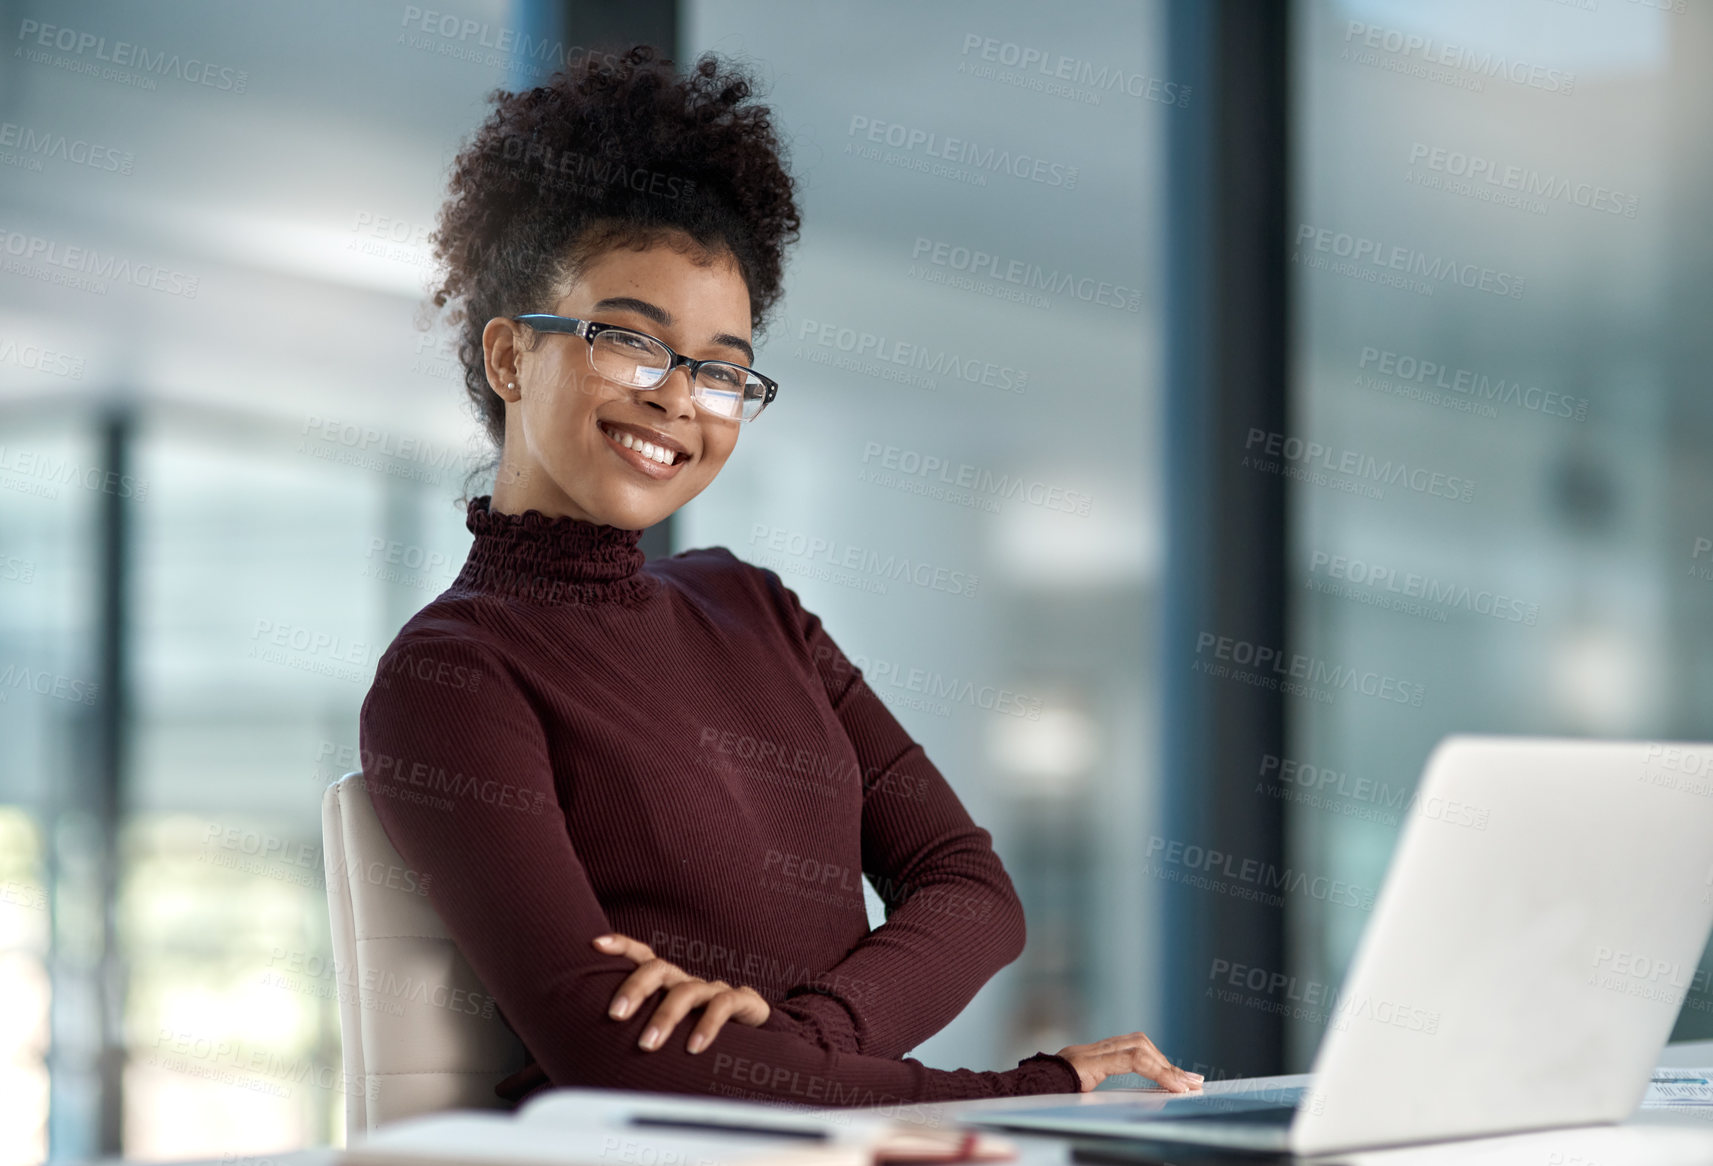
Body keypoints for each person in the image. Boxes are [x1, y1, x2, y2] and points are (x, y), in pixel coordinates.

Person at [358, 42, 1201, 1109]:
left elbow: (976, 890)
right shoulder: (451, 677)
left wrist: (802, 1031)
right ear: (511, 356)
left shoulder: (754, 607)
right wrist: (1022, 1090)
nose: (679, 399)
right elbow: (625, 1065)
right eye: (630, 340)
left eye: (720, 367)